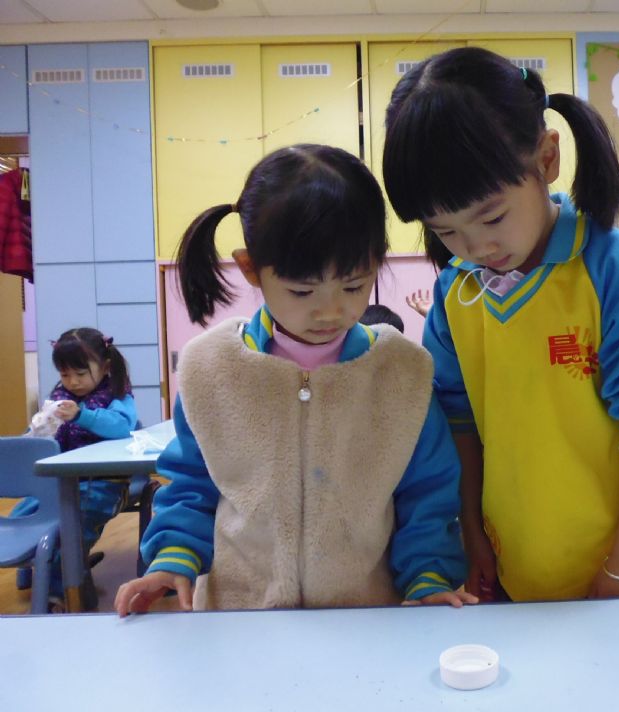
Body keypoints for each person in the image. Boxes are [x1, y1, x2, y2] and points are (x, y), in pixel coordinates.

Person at [383, 47, 619, 601]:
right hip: (512, 562)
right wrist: (473, 535)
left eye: (492, 216)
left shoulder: (617, 267)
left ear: (547, 158)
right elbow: (460, 425)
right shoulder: (456, 292)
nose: (476, 246)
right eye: (445, 231)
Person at [115, 144, 473, 616]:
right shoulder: (213, 370)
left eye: (353, 285)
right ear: (251, 269)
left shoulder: (400, 373)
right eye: (302, 291)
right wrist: (173, 559)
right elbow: (190, 485)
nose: (330, 311)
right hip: (240, 619)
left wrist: (428, 575)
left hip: (364, 619)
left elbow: (427, 493)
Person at [14, 327, 136, 609]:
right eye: (65, 374)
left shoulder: (117, 397)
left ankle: (58, 592)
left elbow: (121, 427)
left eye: (81, 374)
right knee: (24, 515)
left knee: (73, 531)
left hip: (102, 485)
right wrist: (36, 432)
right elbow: (39, 436)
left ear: (105, 367)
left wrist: (82, 415)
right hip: (59, 483)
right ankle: (31, 570)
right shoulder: (59, 399)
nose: (73, 382)